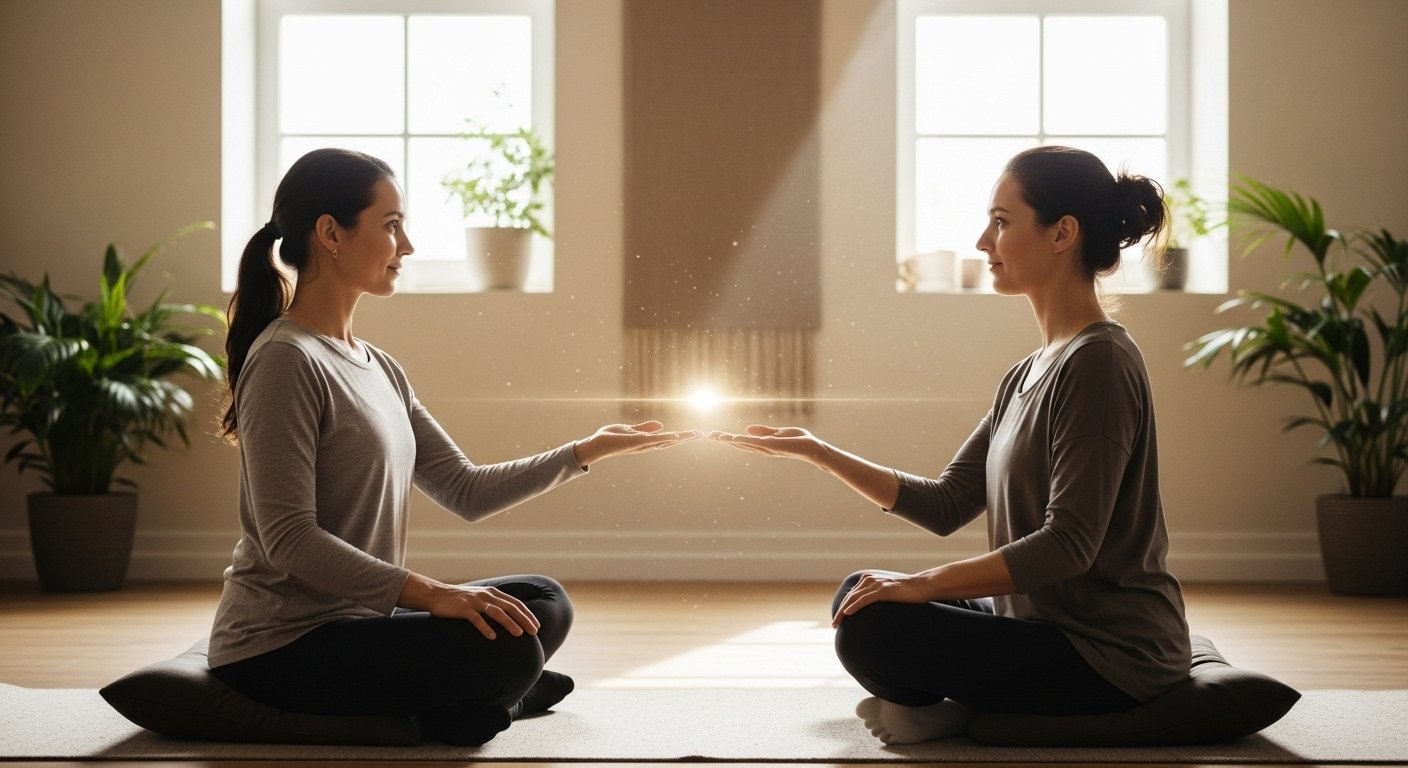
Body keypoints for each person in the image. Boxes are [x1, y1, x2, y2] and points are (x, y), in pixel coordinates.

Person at [209, 147, 699, 746]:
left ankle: (478, 701)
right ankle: (489, 697)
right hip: (283, 645)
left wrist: (585, 452)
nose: (407, 247)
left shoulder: (378, 367)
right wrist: (433, 593)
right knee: (510, 653)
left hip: (362, 624)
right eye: (392, 227)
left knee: (544, 602)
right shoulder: (287, 360)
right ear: (331, 234)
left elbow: (465, 489)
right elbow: (288, 538)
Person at [709, 146, 1191, 744]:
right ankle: (959, 707)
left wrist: (925, 584)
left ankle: (956, 710)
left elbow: (1070, 546)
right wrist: (816, 451)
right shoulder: (1028, 372)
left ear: (1062, 232)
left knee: (874, 631)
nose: (983, 242)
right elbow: (946, 503)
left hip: (1109, 653)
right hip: (1044, 624)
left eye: (1001, 221)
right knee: (862, 594)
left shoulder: (1100, 363)